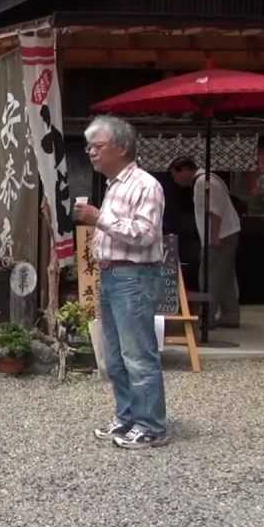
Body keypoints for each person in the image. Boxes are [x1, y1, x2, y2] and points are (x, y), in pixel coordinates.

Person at [74, 115, 169, 450]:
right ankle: (128, 416)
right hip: (113, 273)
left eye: (97, 146)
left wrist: (98, 217)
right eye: (89, 146)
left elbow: (144, 234)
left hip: (135, 274)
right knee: (115, 356)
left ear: (122, 147)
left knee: (137, 354)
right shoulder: (116, 184)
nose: (91, 152)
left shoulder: (145, 185)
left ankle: (151, 425)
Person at [168, 156, 241, 329]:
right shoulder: (207, 180)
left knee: (209, 276)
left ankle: (207, 317)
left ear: (184, 170)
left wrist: (214, 237)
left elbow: (214, 210)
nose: (175, 180)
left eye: (175, 176)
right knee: (225, 276)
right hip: (227, 233)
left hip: (219, 236)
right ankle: (231, 314)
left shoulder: (204, 182)